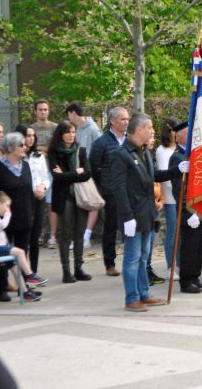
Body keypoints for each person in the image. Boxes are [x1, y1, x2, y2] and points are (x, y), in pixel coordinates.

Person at [111, 113, 189, 312]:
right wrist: (127, 217)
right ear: (139, 130)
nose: (153, 131)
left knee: (144, 256)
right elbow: (119, 189)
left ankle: (143, 293)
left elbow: (155, 176)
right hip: (133, 216)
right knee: (132, 257)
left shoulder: (144, 152)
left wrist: (177, 169)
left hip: (147, 213)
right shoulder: (122, 155)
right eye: (150, 128)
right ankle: (131, 298)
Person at [0, 132, 36, 301]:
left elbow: (29, 192)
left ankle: (25, 289)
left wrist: (32, 213)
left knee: (23, 253)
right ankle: (2, 289)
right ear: (11, 148)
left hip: (24, 217)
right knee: (3, 257)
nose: (25, 147)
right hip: (3, 222)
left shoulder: (26, 166)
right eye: (21, 145)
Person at [169, 121, 202, 293]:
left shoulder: (195, 154)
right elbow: (179, 188)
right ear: (178, 136)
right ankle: (186, 281)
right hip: (188, 209)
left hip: (200, 206)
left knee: (201, 245)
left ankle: (195, 277)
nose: (192, 137)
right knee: (189, 246)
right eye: (188, 134)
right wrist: (190, 212)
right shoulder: (177, 157)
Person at [48, 121, 93, 283]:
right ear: (61, 134)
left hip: (80, 196)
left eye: (73, 132)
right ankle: (66, 271)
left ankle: (78, 268)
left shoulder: (80, 151)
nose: (71, 135)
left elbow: (87, 174)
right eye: (68, 132)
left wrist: (67, 174)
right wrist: (75, 172)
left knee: (79, 233)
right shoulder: (54, 152)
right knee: (65, 234)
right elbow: (57, 177)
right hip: (64, 196)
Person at [89, 106, 130, 277]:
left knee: (130, 226)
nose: (126, 122)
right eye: (123, 119)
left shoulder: (130, 140)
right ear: (112, 121)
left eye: (128, 119)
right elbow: (94, 166)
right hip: (111, 190)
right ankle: (110, 263)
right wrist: (105, 184)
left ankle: (131, 260)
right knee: (111, 226)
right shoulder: (102, 142)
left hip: (129, 190)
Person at [0, 191, 46, 301]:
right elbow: (3, 225)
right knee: (20, 252)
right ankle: (30, 275)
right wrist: (8, 215)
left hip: (0, 248)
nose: (7, 209)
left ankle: (25, 292)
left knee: (15, 268)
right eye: (7, 206)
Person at [66, 101, 102, 249]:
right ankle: (81, 237)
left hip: (91, 172)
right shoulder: (78, 129)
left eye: (69, 114)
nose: (68, 118)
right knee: (81, 203)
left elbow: (101, 148)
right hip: (80, 172)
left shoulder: (93, 129)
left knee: (92, 203)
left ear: (73, 113)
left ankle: (86, 237)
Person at [15, 124, 50, 273]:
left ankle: (33, 272)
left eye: (32, 135)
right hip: (23, 200)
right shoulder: (16, 157)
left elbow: (45, 177)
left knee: (35, 237)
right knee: (24, 238)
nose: (30, 138)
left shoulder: (39, 156)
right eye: (27, 135)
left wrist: (43, 187)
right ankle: (22, 273)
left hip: (39, 198)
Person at [30, 99, 59, 249]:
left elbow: (58, 148)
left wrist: (43, 149)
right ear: (35, 111)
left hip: (50, 169)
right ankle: (38, 235)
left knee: (51, 204)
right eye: (40, 109)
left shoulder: (55, 127)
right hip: (35, 171)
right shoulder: (30, 128)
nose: (43, 112)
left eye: (45, 109)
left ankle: (53, 236)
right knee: (35, 205)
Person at [155, 116, 179, 280]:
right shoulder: (162, 151)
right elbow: (165, 174)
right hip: (171, 196)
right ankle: (171, 265)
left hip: (181, 195)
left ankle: (180, 262)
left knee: (181, 231)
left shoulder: (178, 149)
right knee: (172, 231)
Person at [145, 133, 165, 286]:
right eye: (150, 135)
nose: (153, 139)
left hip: (155, 204)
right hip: (144, 208)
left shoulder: (149, 155)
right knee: (144, 246)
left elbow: (157, 179)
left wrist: (160, 200)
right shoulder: (137, 156)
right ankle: (144, 272)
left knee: (151, 242)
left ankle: (148, 269)